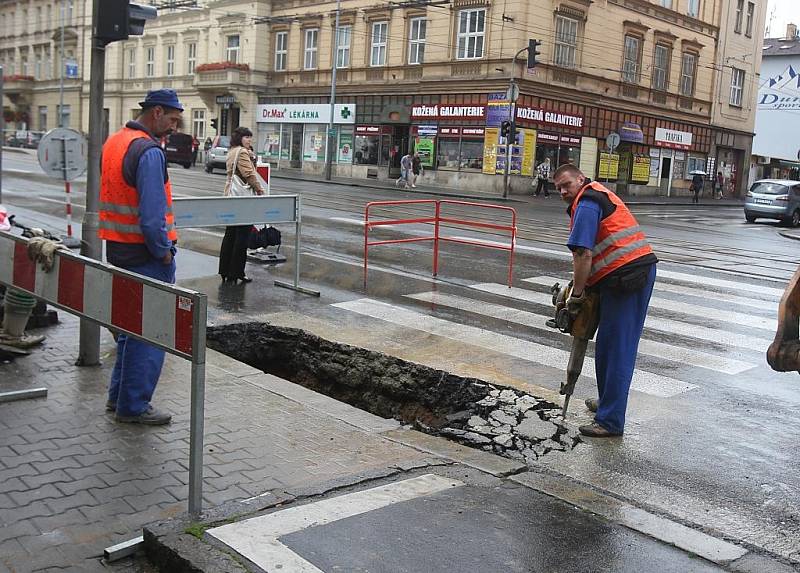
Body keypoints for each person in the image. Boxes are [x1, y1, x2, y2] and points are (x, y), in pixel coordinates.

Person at [99, 88, 184, 425]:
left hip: (119, 248)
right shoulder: (149, 152)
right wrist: (163, 254)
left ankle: (117, 397)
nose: (175, 127)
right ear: (157, 113)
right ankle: (133, 406)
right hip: (146, 255)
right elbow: (152, 218)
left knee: (129, 327)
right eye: (174, 120)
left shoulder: (116, 141)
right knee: (151, 331)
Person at [553, 164, 658, 438]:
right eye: (558, 188)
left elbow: (583, 254)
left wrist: (576, 296)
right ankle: (609, 401)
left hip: (629, 277)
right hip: (618, 277)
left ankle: (611, 420)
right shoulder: (590, 197)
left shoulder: (587, 201)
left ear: (581, 178)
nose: (563, 191)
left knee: (616, 348)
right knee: (608, 346)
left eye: (567, 184)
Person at [218, 126, 265, 284]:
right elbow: (249, 174)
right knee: (242, 235)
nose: (249, 140)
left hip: (231, 196)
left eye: (250, 137)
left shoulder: (232, 151)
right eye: (246, 137)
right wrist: (259, 189)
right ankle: (237, 271)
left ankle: (225, 270)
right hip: (242, 199)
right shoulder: (243, 152)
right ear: (240, 138)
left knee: (230, 233)